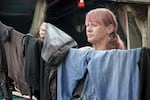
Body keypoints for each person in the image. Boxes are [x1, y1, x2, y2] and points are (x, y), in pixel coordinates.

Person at [39, 8, 125, 50]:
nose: (88, 29)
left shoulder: (121, 57)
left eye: (94, 25)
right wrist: (50, 36)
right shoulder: (85, 52)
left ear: (109, 28)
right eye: (87, 25)